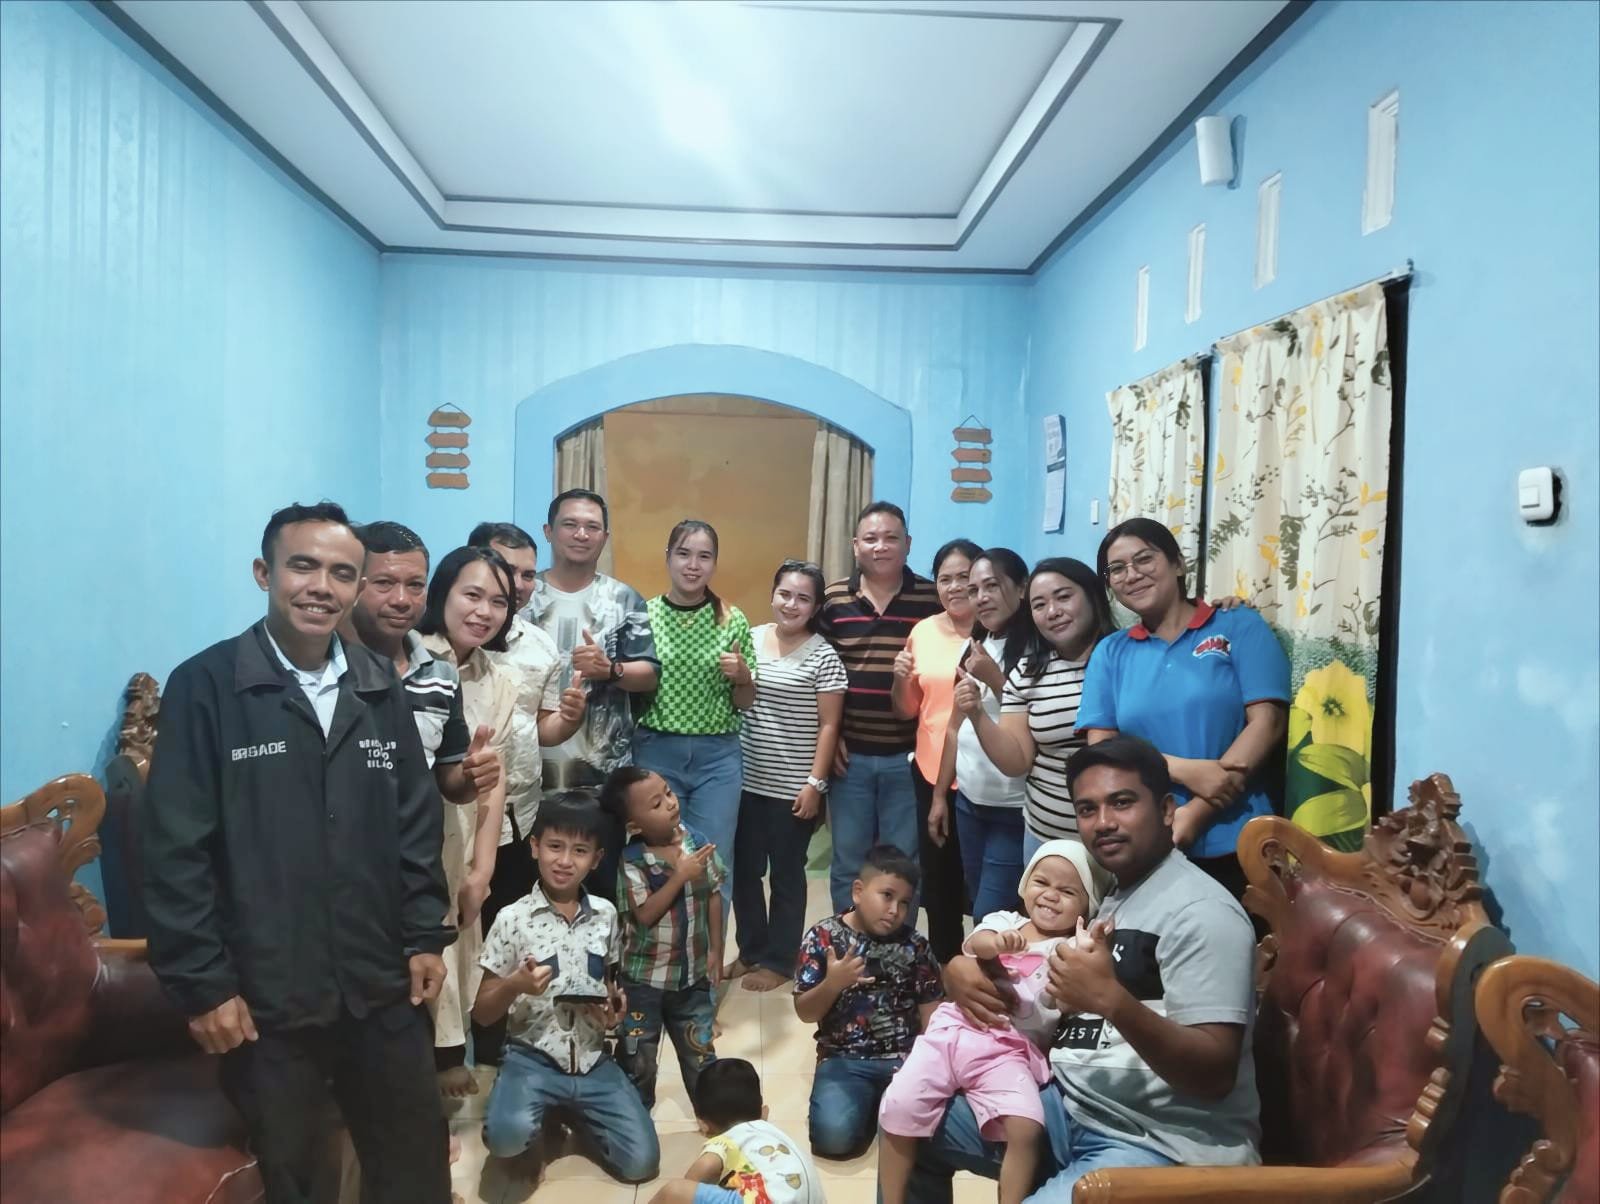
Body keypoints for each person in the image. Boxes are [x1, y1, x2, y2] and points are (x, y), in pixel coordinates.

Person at [143, 501, 452, 1204]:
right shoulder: (208, 686)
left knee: (414, 1161)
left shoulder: (376, 682)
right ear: (265, 573)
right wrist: (204, 984)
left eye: (341, 573)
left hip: (381, 978)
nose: (321, 587)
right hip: (268, 991)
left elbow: (415, 820)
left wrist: (424, 934)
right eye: (303, 566)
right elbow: (174, 849)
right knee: (298, 1173)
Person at [908, 736, 1260, 1200]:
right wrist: (961, 968)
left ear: (1166, 810)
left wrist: (1111, 1001)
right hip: (1066, 1107)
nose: (1104, 822)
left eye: (1122, 802)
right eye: (1087, 809)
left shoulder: (1201, 913)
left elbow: (1214, 1075)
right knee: (912, 1119)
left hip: (1155, 1143)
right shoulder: (1111, 895)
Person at [344, 521, 507, 1103]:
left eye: (413, 585)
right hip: (341, 879)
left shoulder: (438, 677)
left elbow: (448, 777)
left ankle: (407, 1119)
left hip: (417, 869)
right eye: (383, 583)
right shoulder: (328, 672)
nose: (401, 599)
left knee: (413, 1001)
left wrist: (471, 777)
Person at [877, 840, 1105, 1204]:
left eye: (1067, 891)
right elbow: (977, 944)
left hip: (1009, 1052)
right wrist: (998, 944)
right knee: (898, 1105)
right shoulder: (1006, 922)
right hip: (954, 1031)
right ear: (1024, 886)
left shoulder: (1071, 950)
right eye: (1041, 882)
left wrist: (1086, 952)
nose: (1050, 895)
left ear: (1086, 905)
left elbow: (1066, 1001)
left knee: (1026, 1127)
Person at [1078, 517, 1290, 898]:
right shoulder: (1111, 652)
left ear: (1178, 563)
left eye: (1144, 559)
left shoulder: (1237, 625)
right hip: (1146, 840)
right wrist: (1183, 770)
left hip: (1240, 837)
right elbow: (1102, 746)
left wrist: (1198, 811)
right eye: (1117, 569)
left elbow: (1268, 723)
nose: (1132, 574)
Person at [473, 792, 659, 1184]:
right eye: (555, 846)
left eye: (580, 851)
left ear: (597, 858)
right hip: (531, 1059)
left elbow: (610, 987)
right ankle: (538, 1116)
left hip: (593, 1059)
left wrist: (613, 1013)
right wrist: (515, 984)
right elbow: (483, 1013)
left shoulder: (606, 915)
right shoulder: (511, 919)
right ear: (535, 847)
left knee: (642, 1164)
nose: (564, 861)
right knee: (507, 1139)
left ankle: (572, 1115)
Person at [525, 489, 661, 901]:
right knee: (523, 892)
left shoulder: (624, 599)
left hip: (601, 777)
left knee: (600, 895)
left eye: (592, 527)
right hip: (527, 773)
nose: (581, 534)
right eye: (570, 524)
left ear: (605, 537)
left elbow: (649, 675)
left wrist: (611, 670)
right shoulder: (523, 596)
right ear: (548, 531)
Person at [726, 559, 847, 992]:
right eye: (785, 594)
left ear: (815, 607)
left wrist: (815, 785)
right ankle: (751, 950)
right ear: (773, 594)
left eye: (803, 598)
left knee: (786, 877)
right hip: (742, 781)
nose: (791, 604)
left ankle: (779, 961)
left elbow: (829, 725)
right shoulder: (751, 637)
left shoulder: (824, 655)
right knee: (743, 873)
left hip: (792, 787)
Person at [818, 501, 942, 912]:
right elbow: (819, 673)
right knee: (848, 862)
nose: (881, 546)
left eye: (891, 538)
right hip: (849, 758)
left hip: (908, 758)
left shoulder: (931, 597)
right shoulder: (834, 599)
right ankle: (847, 942)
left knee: (902, 864)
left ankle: (897, 947)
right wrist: (831, 735)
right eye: (870, 538)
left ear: (908, 544)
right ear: (855, 545)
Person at [958, 558, 1118, 863]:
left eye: (1064, 597)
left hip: (1114, 838)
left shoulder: (1124, 657)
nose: (1052, 612)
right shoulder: (1028, 669)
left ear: (1092, 595)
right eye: (1039, 605)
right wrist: (976, 714)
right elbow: (1016, 760)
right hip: (1043, 835)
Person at [793, 844, 943, 1160]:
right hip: (844, 1059)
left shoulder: (915, 945)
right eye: (887, 896)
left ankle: (882, 1103)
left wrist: (927, 1067)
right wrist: (833, 983)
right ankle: (871, 1104)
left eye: (904, 903)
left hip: (904, 1059)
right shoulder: (823, 937)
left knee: (936, 1133)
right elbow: (805, 1012)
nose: (894, 910)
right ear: (858, 891)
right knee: (833, 1139)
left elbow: (932, 1014)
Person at [633, 520, 756, 894]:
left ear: (714, 563)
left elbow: (745, 702)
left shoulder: (732, 619)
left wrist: (743, 677)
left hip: (717, 759)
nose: (692, 565)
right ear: (668, 557)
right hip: (656, 751)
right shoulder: (645, 615)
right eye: (683, 554)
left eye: (704, 556)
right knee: (657, 858)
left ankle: (712, 935)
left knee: (713, 860)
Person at [465, 522, 576, 933]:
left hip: (521, 812)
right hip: (460, 812)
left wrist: (570, 717)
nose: (518, 584)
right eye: (506, 570)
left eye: (528, 574)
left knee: (508, 927)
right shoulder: (443, 645)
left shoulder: (540, 645)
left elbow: (542, 729)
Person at [601, 766, 726, 1110]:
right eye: (656, 804)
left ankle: (712, 1115)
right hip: (643, 981)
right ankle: (637, 1116)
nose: (670, 803)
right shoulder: (632, 861)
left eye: (668, 793)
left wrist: (716, 949)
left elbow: (714, 893)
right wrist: (679, 876)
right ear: (634, 825)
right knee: (639, 1059)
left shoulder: (694, 841)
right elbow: (644, 915)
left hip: (692, 976)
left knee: (700, 1052)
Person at [931, 547, 1032, 922]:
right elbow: (954, 727)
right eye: (974, 590)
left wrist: (995, 678)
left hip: (1014, 808)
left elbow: (1036, 723)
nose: (981, 597)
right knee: (978, 904)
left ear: (1021, 588)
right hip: (969, 804)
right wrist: (940, 795)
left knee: (992, 914)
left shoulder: (1037, 649)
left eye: (992, 586)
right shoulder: (974, 646)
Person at [891, 538, 980, 962]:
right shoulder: (923, 631)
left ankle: (990, 968)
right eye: (946, 579)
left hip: (987, 774)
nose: (955, 587)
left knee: (983, 881)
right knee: (939, 882)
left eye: (965, 577)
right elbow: (907, 709)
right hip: (931, 773)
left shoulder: (999, 629)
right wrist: (900, 678)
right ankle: (946, 968)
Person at [644, 1058, 824, 1204]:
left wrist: (687, 1191)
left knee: (673, 1192)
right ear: (764, 1112)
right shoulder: (772, 1134)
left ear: (703, 1123)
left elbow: (703, 1168)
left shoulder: (726, 1140)